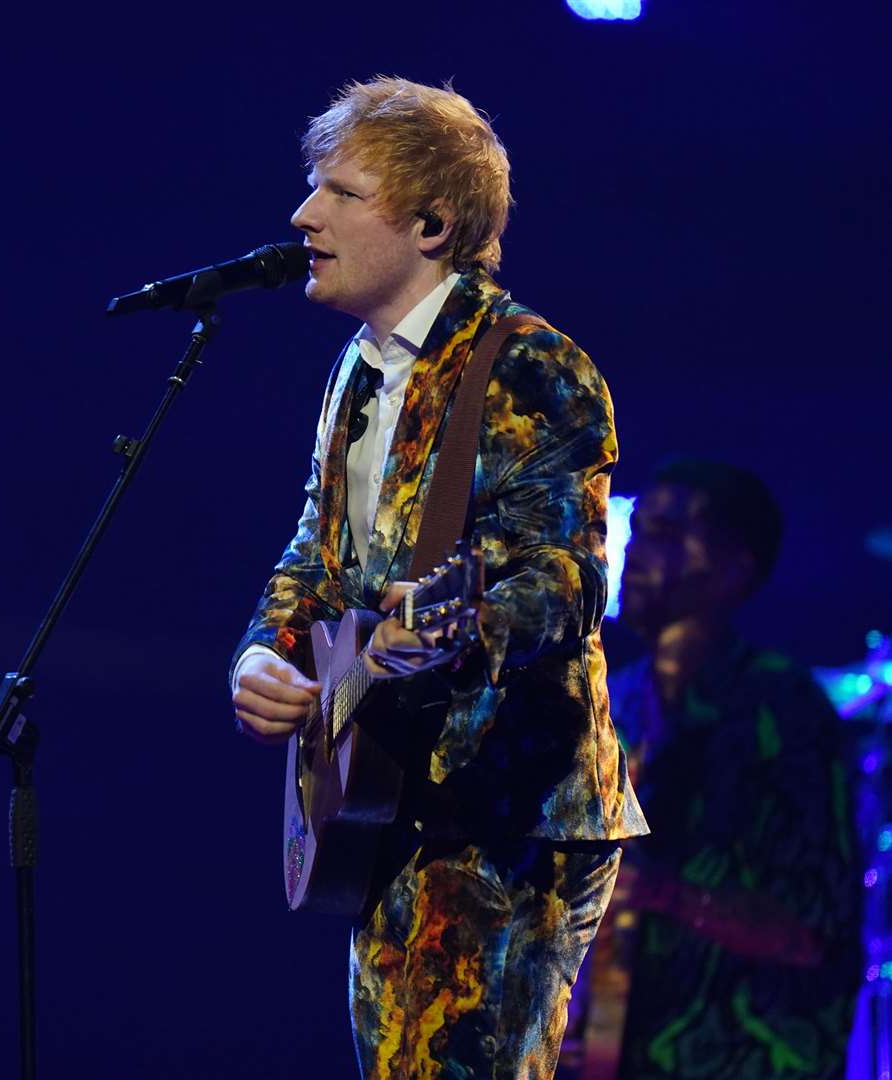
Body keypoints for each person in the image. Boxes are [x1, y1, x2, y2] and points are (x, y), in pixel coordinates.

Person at [229, 76, 648, 1079]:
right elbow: (314, 557)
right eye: (310, 188)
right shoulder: (357, 369)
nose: (302, 216)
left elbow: (568, 580)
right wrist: (267, 651)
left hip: (507, 815)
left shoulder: (530, 366)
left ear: (429, 222)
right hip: (387, 798)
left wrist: (469, 625)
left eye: (338, 193)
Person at [567, 459, 862, 1077]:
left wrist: (656, 892)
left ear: (737, 566)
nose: (641, 550)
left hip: (748, 1055)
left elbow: (816, 928)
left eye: (671, 533)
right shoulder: (612, 701)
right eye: (641, 529)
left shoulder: (784, 710)